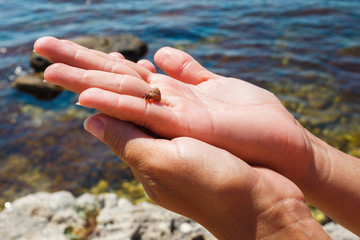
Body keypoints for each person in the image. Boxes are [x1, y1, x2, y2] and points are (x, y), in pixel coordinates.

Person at [34, 37, 360, 239]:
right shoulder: (153, 94)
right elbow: (152, 94)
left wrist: (270, 222)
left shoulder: (153, 94)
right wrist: (302, 155)